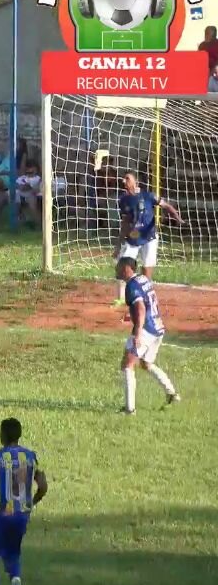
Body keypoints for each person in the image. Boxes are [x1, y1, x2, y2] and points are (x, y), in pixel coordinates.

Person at [0, 418, 49, 585]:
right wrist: (32, 502)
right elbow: (43, 486)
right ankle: (16, 582)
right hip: (21, 515)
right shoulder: (31, 457)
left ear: (2, 435)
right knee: (13, 552)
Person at [116, 257, 181, 414]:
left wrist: (137, 332)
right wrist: (131, 316)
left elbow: (140, 308)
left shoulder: (131, 285)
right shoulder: (143, 278)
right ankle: (172, 394)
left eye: (118, 267)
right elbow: (146, 302)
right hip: (158, 327)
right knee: (145, 363)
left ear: (126, 268)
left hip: (146, 330)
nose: (116, 270)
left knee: (127, 364)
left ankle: (129, 409)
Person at [113, 172, 183, 302]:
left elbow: (166, 205)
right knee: (123, 266)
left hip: (149, 237)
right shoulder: (123, 201)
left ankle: (147, 298)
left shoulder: (147, 196)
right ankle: (121, 299)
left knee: (146, 270)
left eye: (127, 179)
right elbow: (125, 222)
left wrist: (177, 217)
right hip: (134, 236)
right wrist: (118, 244)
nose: (124, 181)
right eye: (124, 179)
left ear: (136, 183)